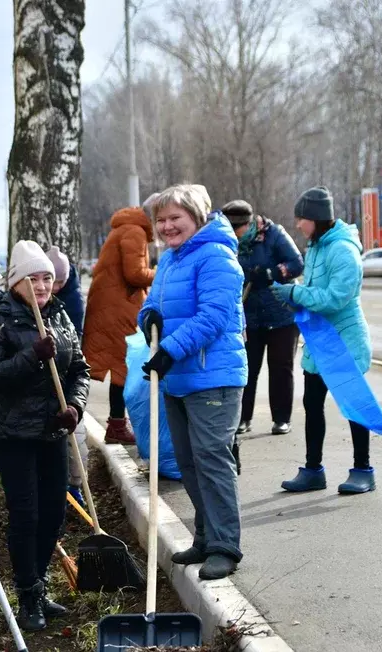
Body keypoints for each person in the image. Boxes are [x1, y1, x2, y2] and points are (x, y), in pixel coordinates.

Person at [0, 240, 91, 632]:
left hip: (52, 431)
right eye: (33, 278)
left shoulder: (59, 315)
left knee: (54, 513)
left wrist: (74, 406)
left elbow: (80, 369)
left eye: (47, 278)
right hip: (13, 435)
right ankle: (27, 596)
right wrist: (31, 357)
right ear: (16, 282)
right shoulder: (1, 317)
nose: (42, 286)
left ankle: (39, 585)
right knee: (26, 514)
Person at [139, 184, 247, 580]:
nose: (167, 227)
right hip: (178, 377)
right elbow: (154, 303)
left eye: (175, 219)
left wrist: (167, 350)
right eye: (161, 220)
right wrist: (147, 317)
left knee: (212, 460)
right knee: (188, 463)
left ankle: (225, 546)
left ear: (197, 218)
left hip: (212, 376)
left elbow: (213, 317)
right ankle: (204, 537)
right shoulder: (170, 260)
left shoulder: (216, 257)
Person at [269, 187, 376, 495]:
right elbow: (316, 289)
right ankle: (313, 470)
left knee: (354, 406)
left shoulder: (343, 250)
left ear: (316, 218)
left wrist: (295, 293)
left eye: (301, 219)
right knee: (312, 405)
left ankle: (363, 470)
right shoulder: (317, 246)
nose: (298, 225)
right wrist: (293, 294)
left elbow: (335, 298)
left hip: (345, 341)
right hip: (320, 340)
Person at [222, 200, 304, 436]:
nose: (233, 234)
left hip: (281, 314)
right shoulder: (226, 243)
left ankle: (281, 419)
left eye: (235, 229)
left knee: (281, 368)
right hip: (249, 317)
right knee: (246, 368)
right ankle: (242, 419)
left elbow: (297, 264)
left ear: (247, 225)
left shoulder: (273, 234)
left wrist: (271, 273)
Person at [83, 205, 155, 444]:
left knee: (119, 365)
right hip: (119, 308)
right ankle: (117, 425)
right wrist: (162, 272)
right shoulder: (135, 232)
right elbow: (135, 274)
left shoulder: (125, 228)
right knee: (123, 366)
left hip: (111, 305)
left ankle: (117, 424)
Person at [46, 245, 89, 508]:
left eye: (60, 281)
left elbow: (76, 350)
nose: (56, 287)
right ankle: (58, 493)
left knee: (78, 443)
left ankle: (75, 487)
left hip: (66, 377)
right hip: (43, 384)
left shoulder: (71, 300)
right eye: (54, 281)